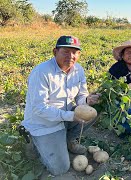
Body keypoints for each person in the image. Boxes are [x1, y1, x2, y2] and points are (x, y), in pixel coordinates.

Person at [21, 35, 100, 176]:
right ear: (55, 52)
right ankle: (33, 142)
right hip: (44, 125)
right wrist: (72, 116)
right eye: (66, 51)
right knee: (61, 168)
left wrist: (87, 101)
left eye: (74, 52)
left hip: (65, 117)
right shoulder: (42, 72)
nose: (71, 56)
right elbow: (39, 108)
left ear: (79, 54)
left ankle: (68, 139)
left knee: (93, 112)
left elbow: (81, 96)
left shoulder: (78, 70)